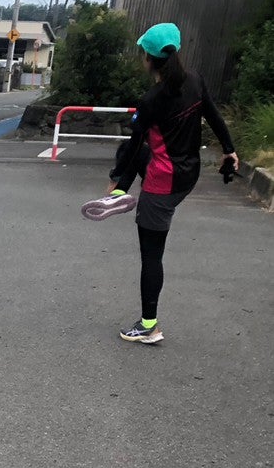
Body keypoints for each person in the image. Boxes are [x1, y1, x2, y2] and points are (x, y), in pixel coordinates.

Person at [99, 22, 238, 345]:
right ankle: (121, 193)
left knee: (151, 256)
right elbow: (214, 116)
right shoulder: (195, 81)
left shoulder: (152, 100)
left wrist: (114, 176)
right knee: (139, 152)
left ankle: (149, 325)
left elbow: (134, 143)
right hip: (188, 174)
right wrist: (229, 150)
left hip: (163, 183)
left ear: (149, 59)